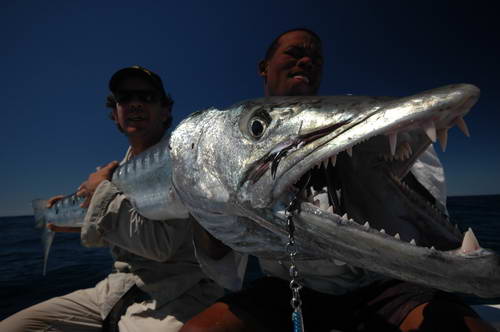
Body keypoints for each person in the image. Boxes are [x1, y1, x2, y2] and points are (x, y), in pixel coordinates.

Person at [180, 29, 495, 332]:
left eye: (316, 60)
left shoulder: (378, 127)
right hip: (292, 287)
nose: (306, 61)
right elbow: (218, 253)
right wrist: (199, 197)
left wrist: (374, 168)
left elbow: (422, 216)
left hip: (385, 285)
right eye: (294, 53)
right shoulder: (223, 140)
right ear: (264, 67)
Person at [0, 66, 223, 332]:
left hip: (178, 297)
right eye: (124, 98)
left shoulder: (183, 155)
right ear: (115, 113)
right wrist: (61, 217)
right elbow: (116, 227)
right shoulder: (115, 171)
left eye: (147, 96)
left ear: (165, 110)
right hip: (115, 290)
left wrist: (100, 193)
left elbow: (161, 247)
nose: (135, 103)